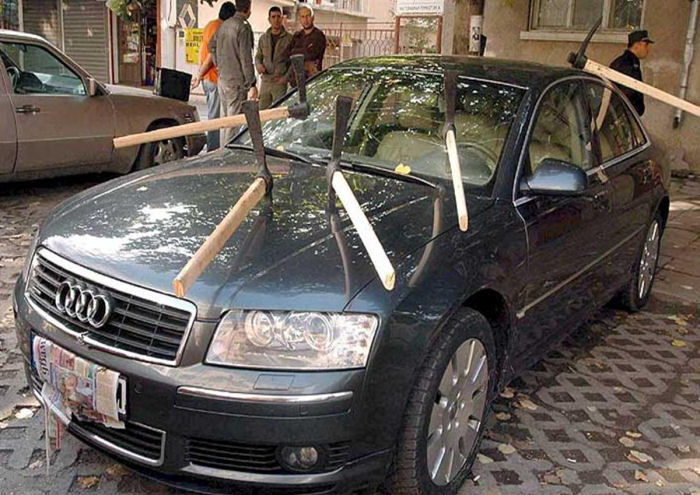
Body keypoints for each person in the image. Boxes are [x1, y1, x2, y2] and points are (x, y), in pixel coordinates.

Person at [209, 0, 258, 144]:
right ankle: (227, 157)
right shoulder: (243, 27)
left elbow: (211, 45)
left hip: (223, 79)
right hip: (236, 82)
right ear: (249, 7)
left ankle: (222, 151)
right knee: (233, 124)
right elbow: (246, 58)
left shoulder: (224, 25)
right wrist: (252, 83)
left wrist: (219, 63)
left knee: (225, 121)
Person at [191, 1, 236, 151]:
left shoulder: (210, 25)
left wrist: (199, 73)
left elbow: (201, 51)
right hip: (213, 78)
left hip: (207, 78)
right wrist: (200, 74)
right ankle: (213, 150)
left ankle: (214, 147)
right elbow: (211, 55)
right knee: (215, 118)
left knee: (214, 115)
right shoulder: (220, 28)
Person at [255, 6, 293, 110]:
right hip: (266, 81)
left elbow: (293, 62)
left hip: (279, 81)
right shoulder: (263, 38)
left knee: (278, 112)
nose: (276, 19)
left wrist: (285, 78)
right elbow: (258, 56)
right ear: (269, 19)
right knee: (262, 112)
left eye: (278, 17)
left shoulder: (289, 39)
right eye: (273, 17)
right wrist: (258, 65)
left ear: (282, 18)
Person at [610, 30, 654, 116]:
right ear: (636, 45)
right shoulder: (625, 64)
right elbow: (626, 92)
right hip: (622, 115)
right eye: (646, 45)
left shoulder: (631, 62)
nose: (648, 49)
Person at [290, 4, 326, 82]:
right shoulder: (297, 36)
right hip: (295, 81)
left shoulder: (318, 35)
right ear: (299, 19)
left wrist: (296, 53)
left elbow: (312, 55)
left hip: (311, 81)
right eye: (302, 17)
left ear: (313, 18)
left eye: (308, 16)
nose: (306, 20)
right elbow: (288, 54)